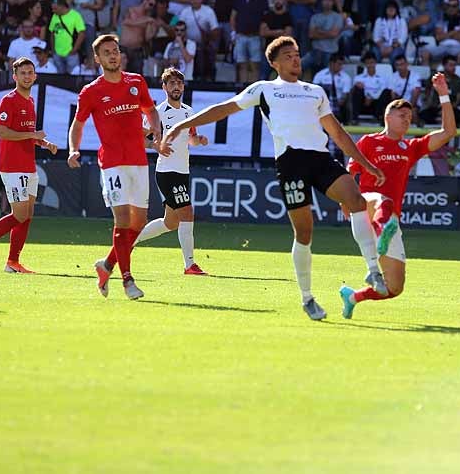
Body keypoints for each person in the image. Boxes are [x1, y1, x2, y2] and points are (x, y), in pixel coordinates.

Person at [161, 36, 389, 321]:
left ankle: (373, 269)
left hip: (320, 158)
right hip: (291, 163)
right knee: (304, 232)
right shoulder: (264, 89)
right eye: (289, 55)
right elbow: (224, 109)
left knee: (355, 199)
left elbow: (338, 133)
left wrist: (366, 164)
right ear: (274, 62)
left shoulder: (315, 91)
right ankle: (307, 298)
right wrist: (183, 124)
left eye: (297, 54)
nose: (296, 59)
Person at [339, 73, 457, 318]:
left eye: (410, 117)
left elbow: (448, 132)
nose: (407, 120)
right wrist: (344, 199)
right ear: (387, 116)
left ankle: (352, 296)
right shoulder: (368, 142)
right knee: (383, 201)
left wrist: (443, 94)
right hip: (366, 207)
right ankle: (383, 231)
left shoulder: (411, 147)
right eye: (402, 115)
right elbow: (350, 173)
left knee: (395, 288)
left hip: (391, 217)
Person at [68, 35, 165, 301]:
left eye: (116, 51)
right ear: (97, 59)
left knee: (139, 223)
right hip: (111, 163)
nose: (113, 55)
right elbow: (78, 125)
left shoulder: (136, 82)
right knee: (122, 220)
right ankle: (127, 280)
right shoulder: (91, 92)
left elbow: (151, 110)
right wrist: (73, 149)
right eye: (107, 52)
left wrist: (155, 128)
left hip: (138, 162)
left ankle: (107, 265)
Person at [0, 58, 58, 274]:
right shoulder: (8, 100)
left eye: (30, 72)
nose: (27, 76)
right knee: (19, 214)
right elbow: (2, 132)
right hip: (12, 166)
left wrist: (43, 142)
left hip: (29, 165)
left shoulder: (30, 102)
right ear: (15, 76)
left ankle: (12, 262)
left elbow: (27, 134)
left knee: (27, 214)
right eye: (23, 73)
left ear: (35, 76)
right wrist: (33, 134)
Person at [132, 68, 208, 275]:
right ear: (164, 87)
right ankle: (190, 265)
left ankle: (129, 240)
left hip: (182, 170)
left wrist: (198, 141)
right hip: (167, 171)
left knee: (171, 222)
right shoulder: (156, 113)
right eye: (171, 83)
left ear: (183, 87)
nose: (176, 87)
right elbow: (140, 138)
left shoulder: (189, 112)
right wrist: (157, 147)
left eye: (179, 83)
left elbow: (191, 138)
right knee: (187, 212)